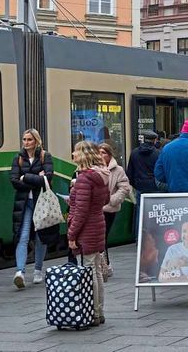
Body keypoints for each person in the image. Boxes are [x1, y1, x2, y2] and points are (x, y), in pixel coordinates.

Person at [67, 140, 110, 326]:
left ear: (83, 155)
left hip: (87, 229)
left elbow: (81, 211)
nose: (73, 155)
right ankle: (98, 311)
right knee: (96, 271)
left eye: (76, 152)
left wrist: (72, 235)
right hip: (98, 224)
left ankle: (92, 312)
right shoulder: (100, 176)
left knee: (90, 272)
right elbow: (104, 200)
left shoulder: (84, 179)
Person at [10, 128, 55, 289]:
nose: (26, 142)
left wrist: (26, 177)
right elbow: (14, 180)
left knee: (40, 237)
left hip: (40, 202)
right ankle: (20, 272)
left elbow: (48, 178)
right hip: (24, 204)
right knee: (22, 236)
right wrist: (37, 178)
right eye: (24, 139)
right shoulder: (18, 158)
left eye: (29, 139)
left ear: (36, 141)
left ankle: (37, 270)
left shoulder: (45, 156)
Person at [99, 143, 131, 278]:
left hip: (109, 209)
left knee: (103, 236)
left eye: (103, 153)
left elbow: (124, 187)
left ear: (110, 155)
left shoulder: (118, 170)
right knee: (100, 237)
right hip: (96, 208)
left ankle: (105, 264)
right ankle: (104, 264)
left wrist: (112, 200)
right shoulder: (94, 168)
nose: (101, 155)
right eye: (99, 152)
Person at [126, 131, 160, 236]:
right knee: (156, 213)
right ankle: (154, 237)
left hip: (140, 187)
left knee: (140, 213)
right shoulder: (157, 153)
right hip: (155, 187)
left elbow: (129, 173)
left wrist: (135, 184)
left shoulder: (134, 153)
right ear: (154, 140)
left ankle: (139, 238)